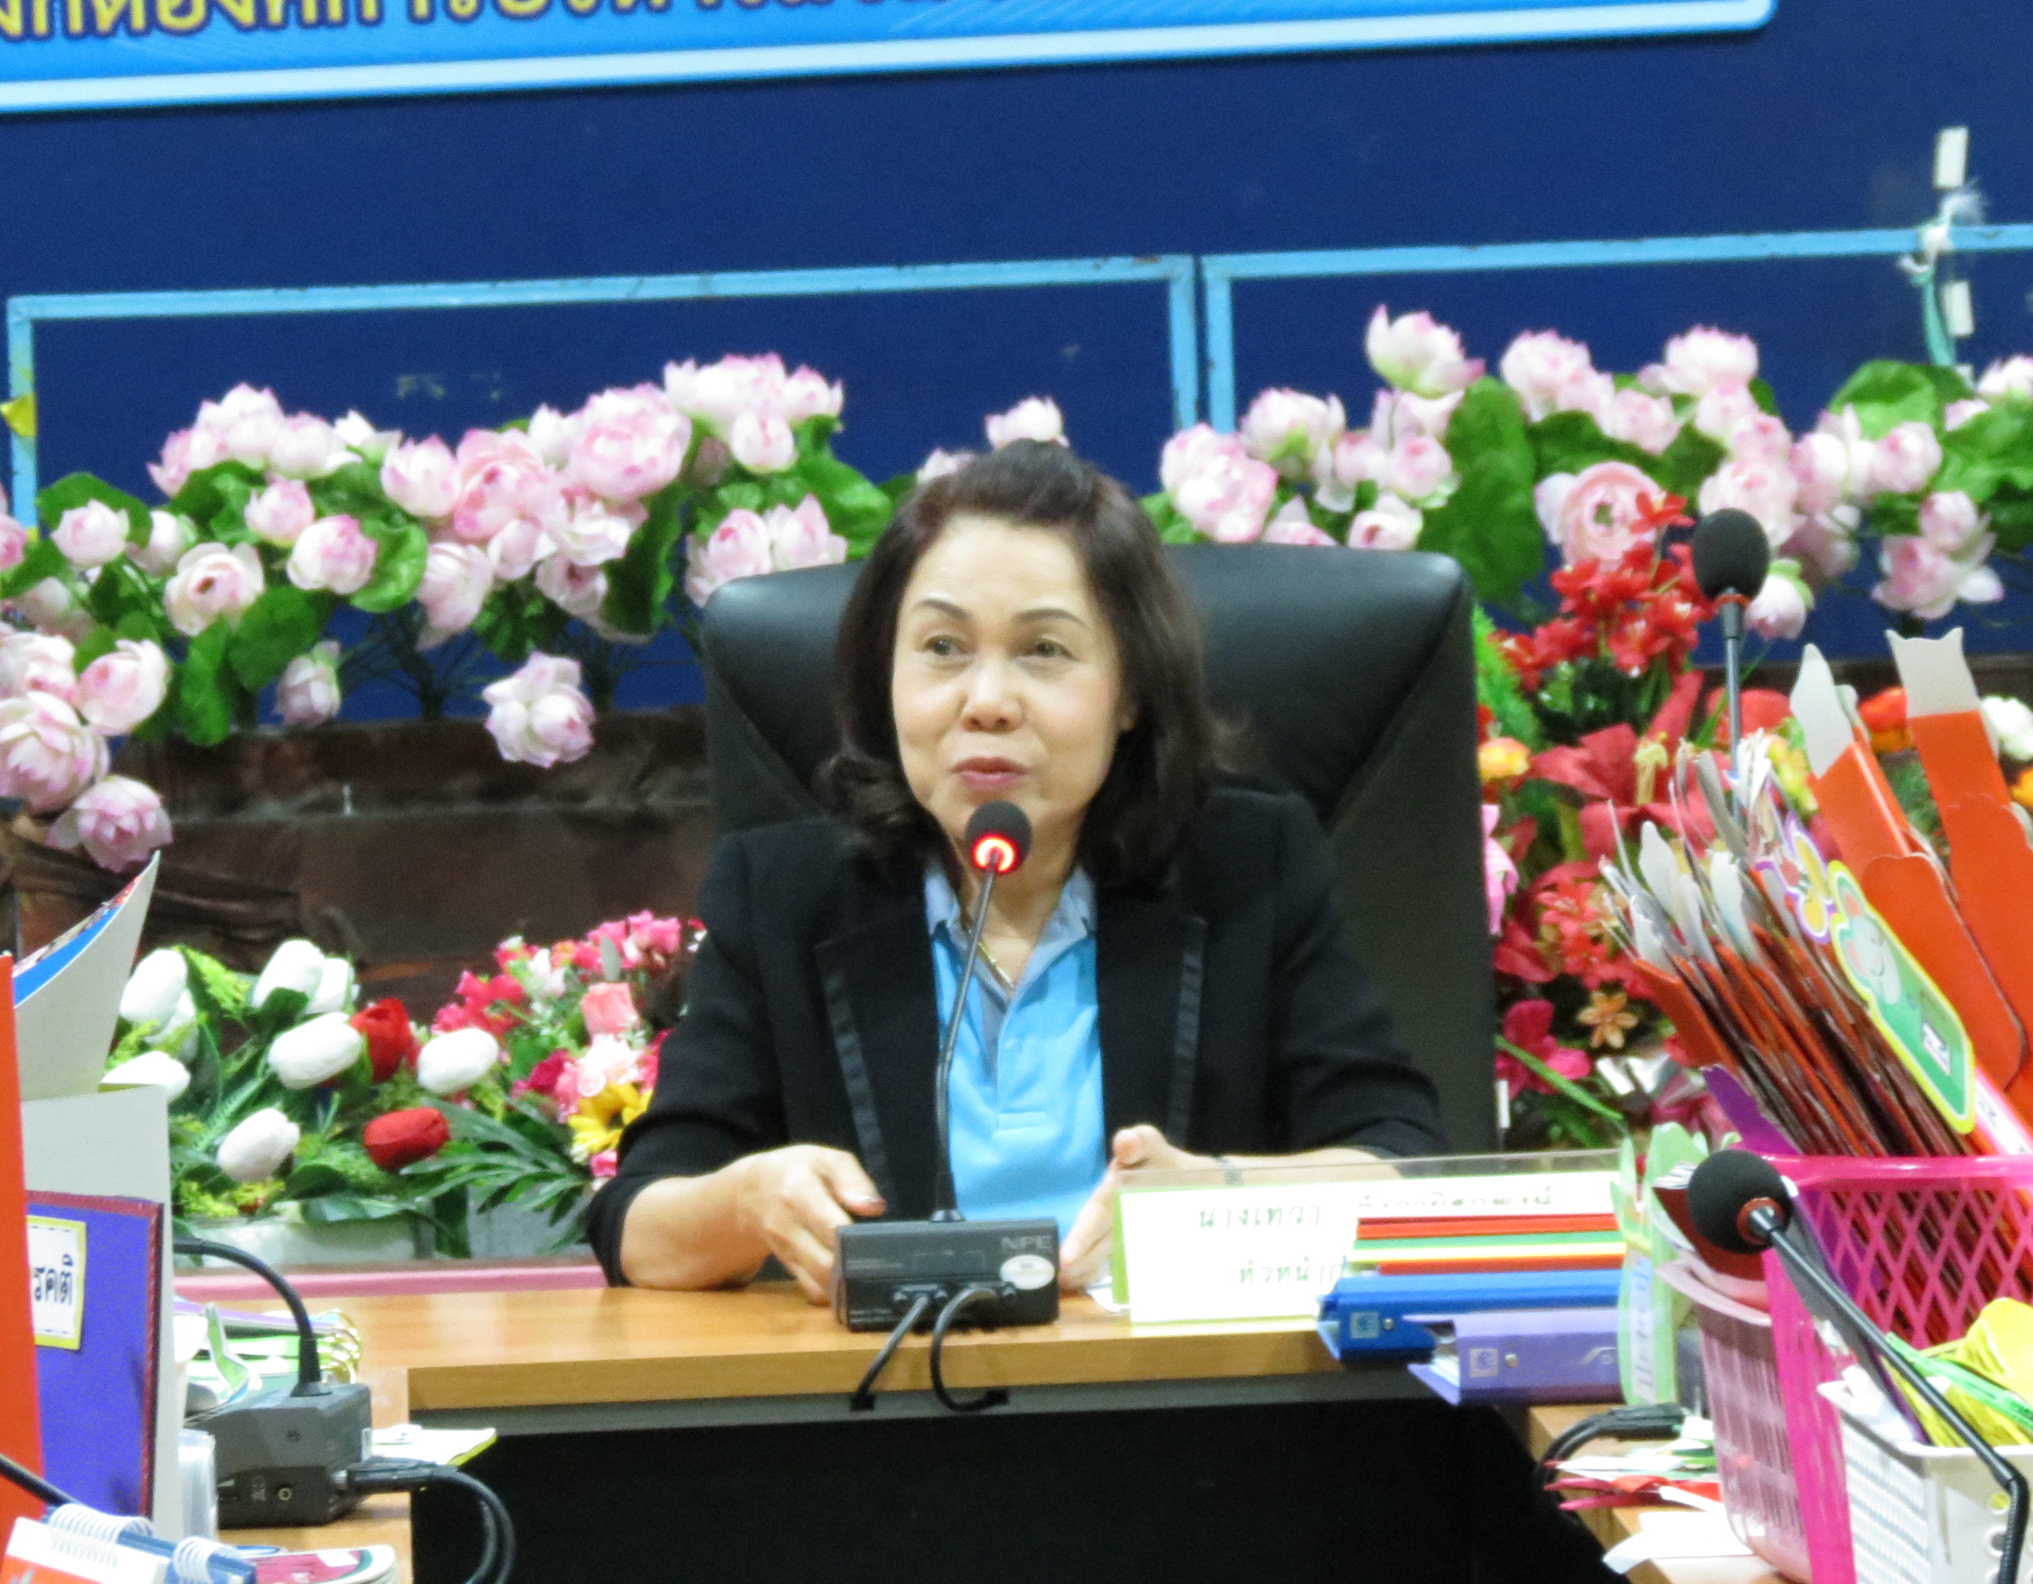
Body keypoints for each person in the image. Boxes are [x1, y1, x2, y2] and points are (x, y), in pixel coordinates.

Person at [590, 440, 1445, 1297]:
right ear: (886, 679)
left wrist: (1215, 1196)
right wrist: (746, 1204)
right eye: (942, 647)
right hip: (883, 1379)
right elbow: (637, 1230)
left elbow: (1405, 1166)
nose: (988, 702)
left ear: (1130, 692)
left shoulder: (1246, 872)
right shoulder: (784, 895)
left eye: (1043, 650)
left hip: (1174, 1375)